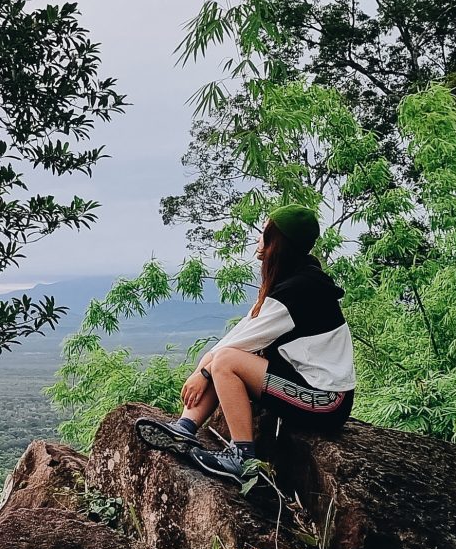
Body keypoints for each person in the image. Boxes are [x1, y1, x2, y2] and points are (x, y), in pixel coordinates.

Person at [137, 203, 356, 480]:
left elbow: (235, 348)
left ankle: (242, 459)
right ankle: (184, 427)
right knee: (225, 358)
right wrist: (204, 369)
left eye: (264, 232)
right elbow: (240, 335)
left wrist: (202, 373)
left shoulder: (298, 291)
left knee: (227, 362)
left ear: (278, 243)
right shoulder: (297, 280)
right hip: (311, 389)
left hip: (325, 401)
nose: (257, 238)